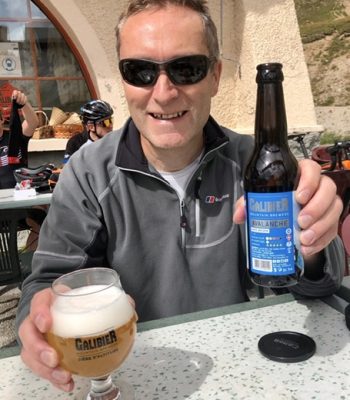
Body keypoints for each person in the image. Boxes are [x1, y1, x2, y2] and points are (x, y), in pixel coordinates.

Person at [16, 0, 345, 393]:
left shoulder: (256, 162)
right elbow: (47, 284)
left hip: (246, 370)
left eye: (186, 68)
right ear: (123, 81)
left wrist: (312, 241)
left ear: (216, 76)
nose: (164, 92)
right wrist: (35, 323)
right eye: (139, 71)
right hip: (138, 374)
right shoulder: (88, 174)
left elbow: (320, 288)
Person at [0, 90, 39, 189]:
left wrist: (23, 104)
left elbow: (32, 122)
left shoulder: (14, 135)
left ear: (1, 120)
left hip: (21, 194)